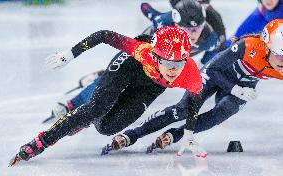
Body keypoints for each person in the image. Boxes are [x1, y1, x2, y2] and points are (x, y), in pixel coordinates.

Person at [9, 26, 202, 166]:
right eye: (168, 63)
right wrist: (70, 54)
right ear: (155, 56)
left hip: (151, 85)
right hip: (130, 66)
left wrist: (189, 133)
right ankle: (43, 141)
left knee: (107, 128)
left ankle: (87, 118)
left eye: (179, 64)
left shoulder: (191, 75)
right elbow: (104, 35)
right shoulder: (141, 52)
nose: (173, 70)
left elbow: (194, 101)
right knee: (96, 108)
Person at [110, 19, 283, 155]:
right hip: (217, 74)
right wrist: (235, 89)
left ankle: (174, 135)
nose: (282, 62)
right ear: (267, 48)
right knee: (183, 109)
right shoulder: (248, 46)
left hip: (244, 85)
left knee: (223, 112)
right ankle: (133, 134)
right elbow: (214, 69)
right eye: (279, 55)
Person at [48, 0, 226, 123]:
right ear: (176, 24)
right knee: (114, 79)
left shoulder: (212, 37)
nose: (193, 35)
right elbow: (147, 9)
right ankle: (74, 103)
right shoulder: (163, 22)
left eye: (197, 29)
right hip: (145, 50)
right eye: (187, 30)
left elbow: (213, 60)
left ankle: (100, 77)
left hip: (167, 62)